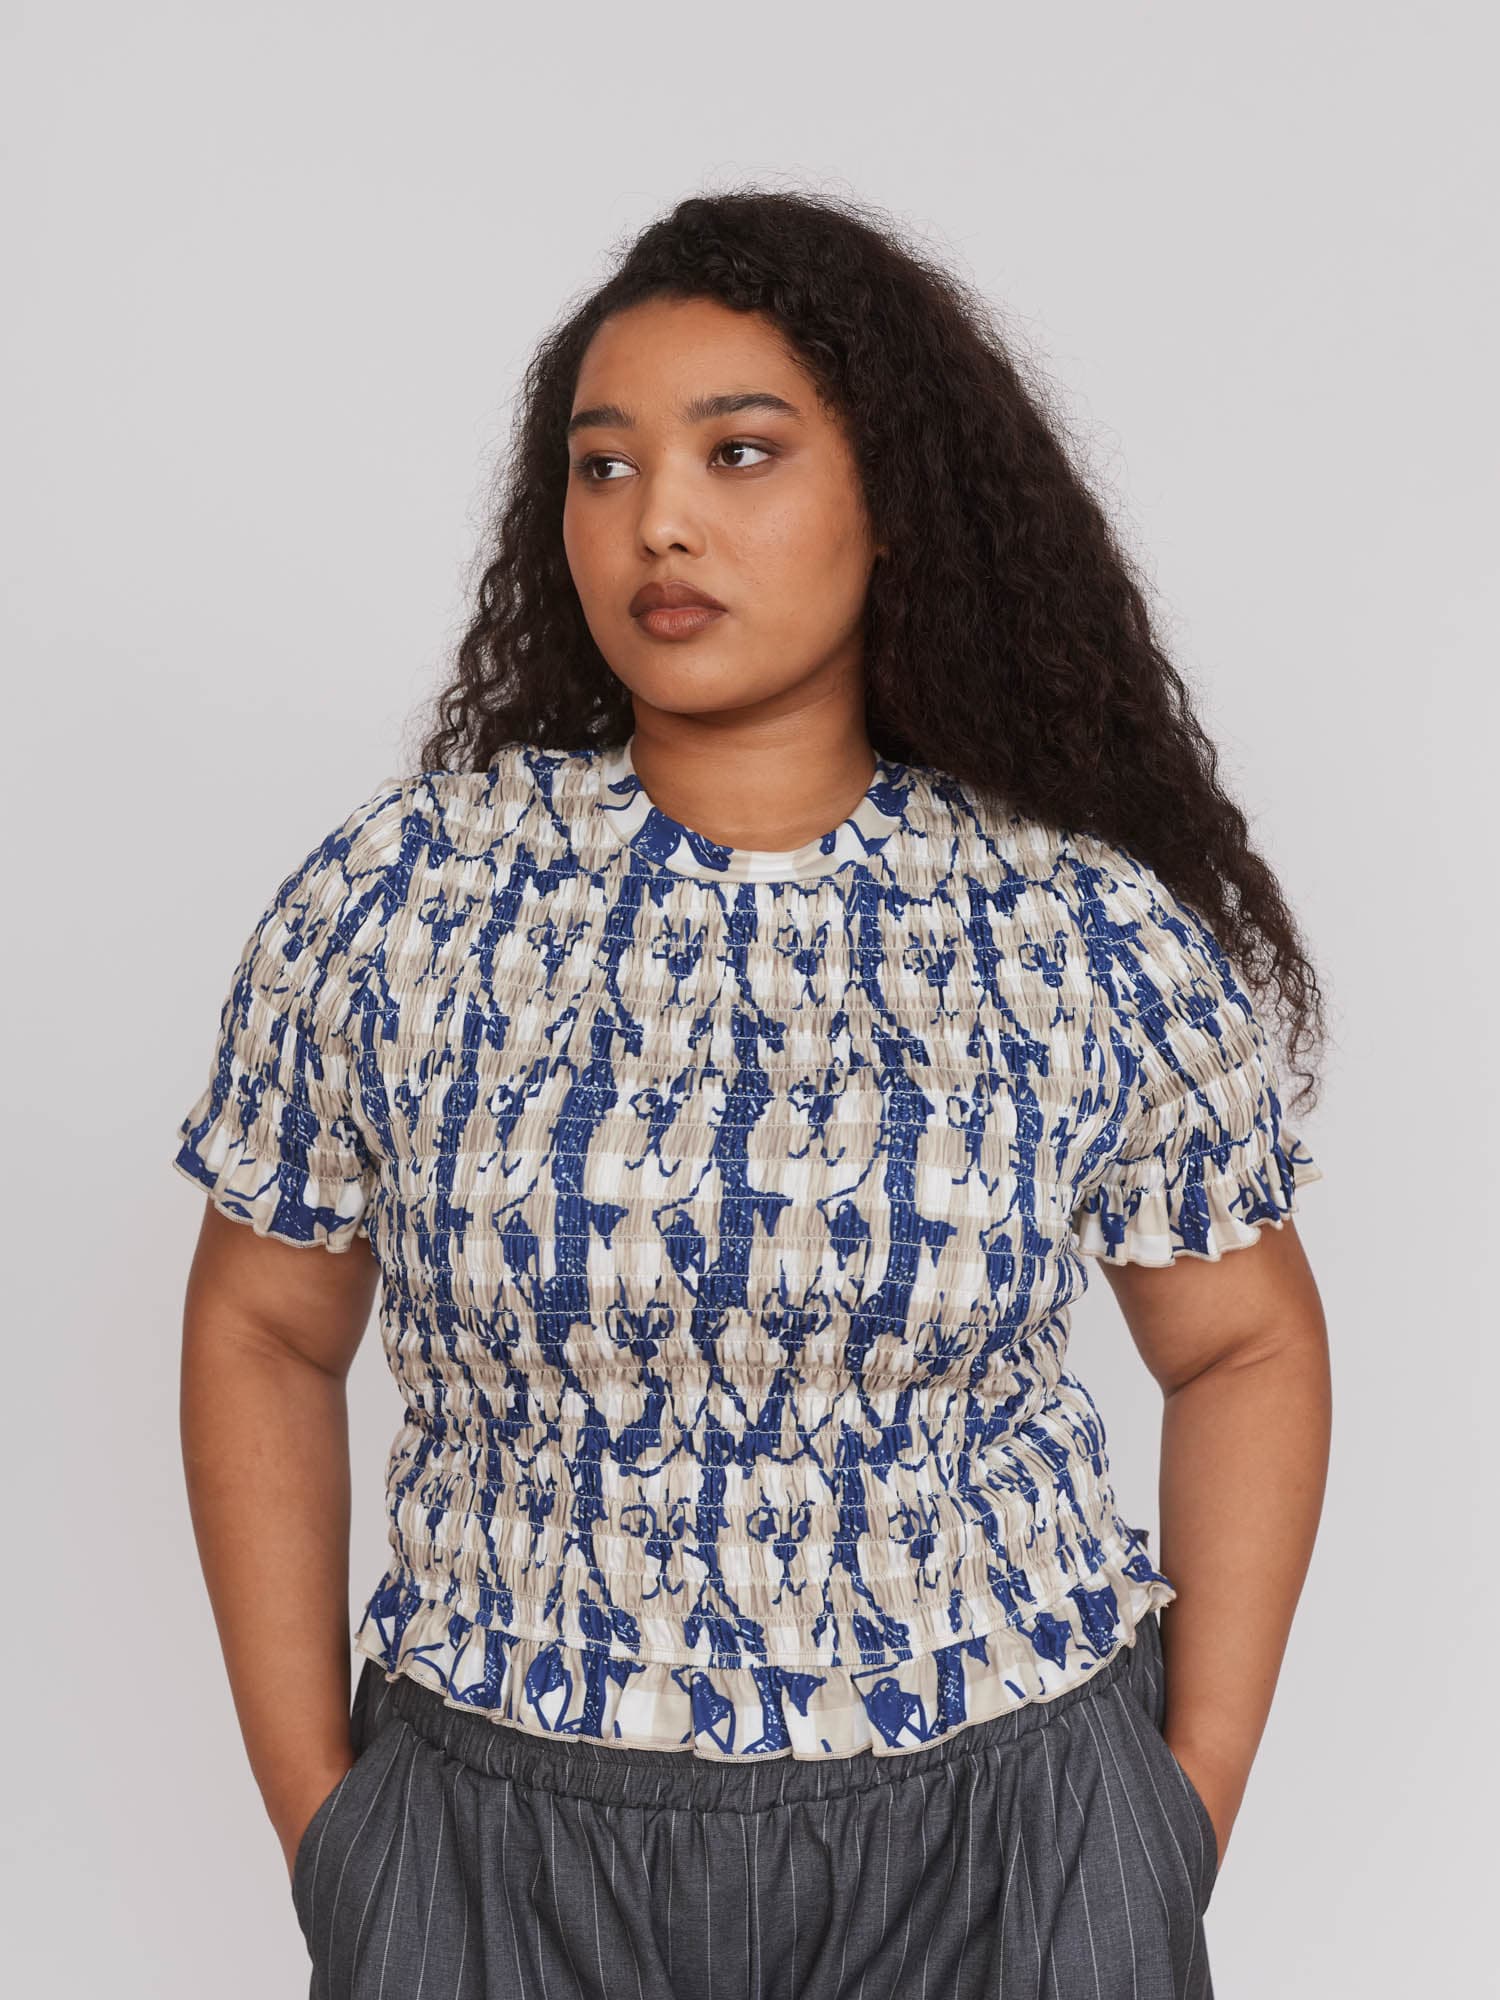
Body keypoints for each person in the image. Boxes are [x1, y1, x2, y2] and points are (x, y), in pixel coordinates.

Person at [171, 187, 1331, 2000]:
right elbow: (260, 1320)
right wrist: (330, 1822)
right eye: (604, 466)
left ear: (894, 500)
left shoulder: (1074, 925)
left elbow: (1245, 1340)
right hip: (495, 1847)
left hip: (1007, 1837)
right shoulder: (408, 899)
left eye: (740, 452)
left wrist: (1182, 1804)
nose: (661, 519)